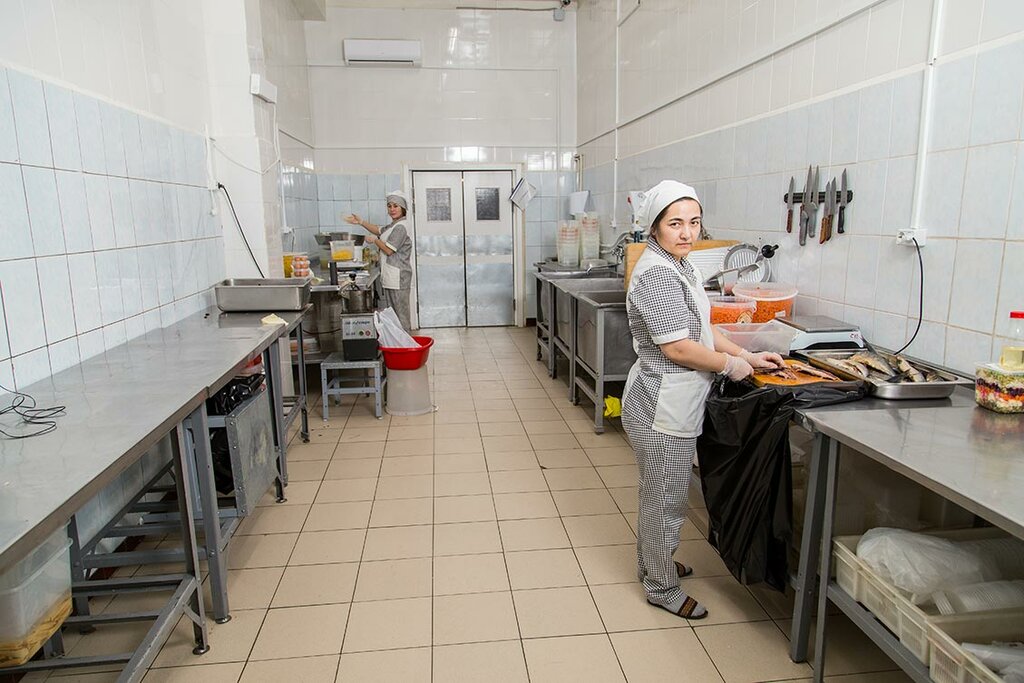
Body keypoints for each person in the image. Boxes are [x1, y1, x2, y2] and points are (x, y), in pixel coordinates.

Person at [622, 180, 784, 620]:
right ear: (655, 227)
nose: (687, 232)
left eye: (694, 222)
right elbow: (678, 348)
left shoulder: (681, 265)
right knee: (666, 499)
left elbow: (703, 329)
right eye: (675, 223)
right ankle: (660, 586)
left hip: (674, 401)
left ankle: (653, 563)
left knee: (659, 493)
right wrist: (729, 366)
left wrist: (746, 355)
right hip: (660, 406)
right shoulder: (657, 275)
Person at [345, 190, 414, 331]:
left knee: (400, 316)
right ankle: (397, 342)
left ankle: (405, 343)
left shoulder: (401, 227)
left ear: (403, 207)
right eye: (389, 206)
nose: (392, 209)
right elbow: (378, 230)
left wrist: (375, 240)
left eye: (396, 206)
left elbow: (389, 250)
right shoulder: (394, 225)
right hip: (392, 276)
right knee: (394, 316)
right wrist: (361, 222)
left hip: (398, 277)